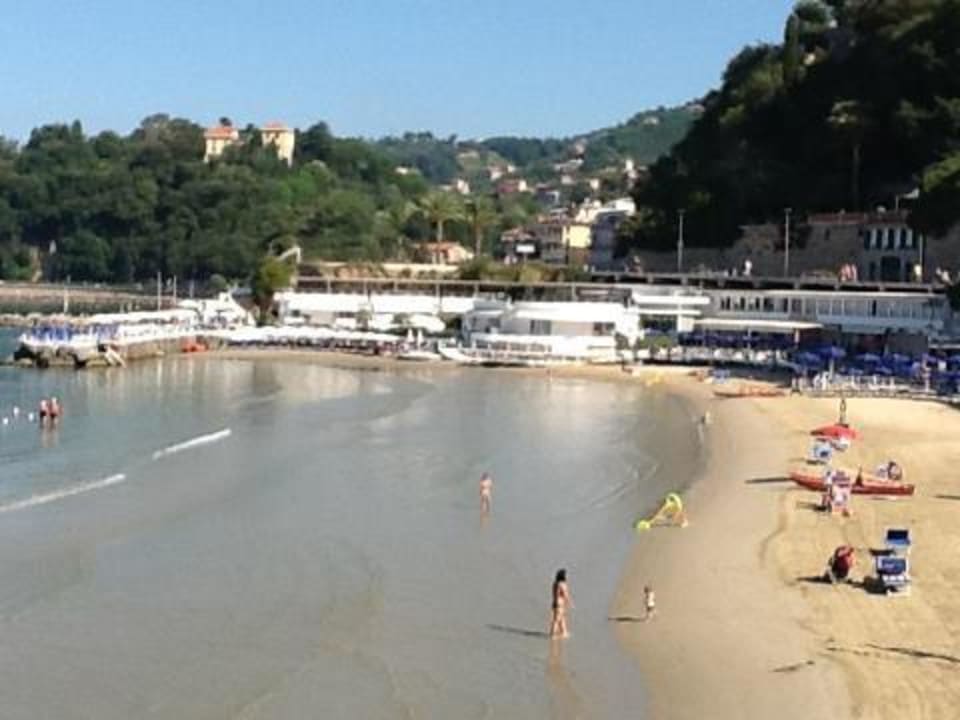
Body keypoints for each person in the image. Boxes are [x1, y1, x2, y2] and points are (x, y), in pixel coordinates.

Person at [550, 569, 572, 639]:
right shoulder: (562, 584)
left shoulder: (555, 583)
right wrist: (570, 602)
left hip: (555, 602)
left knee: (561, 619)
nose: (567, 576)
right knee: (557, 619)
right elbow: (565, 594)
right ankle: (553, 635)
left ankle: (564, 632)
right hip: (560, 604)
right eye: (566, 575)